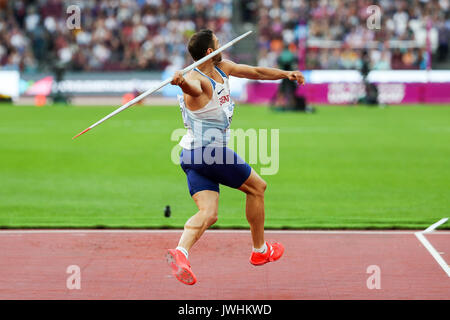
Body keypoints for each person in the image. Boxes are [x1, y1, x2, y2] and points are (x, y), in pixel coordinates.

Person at [166, 29, 305, 285]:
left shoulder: (223, 68)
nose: (223, 45)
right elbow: (194, 90)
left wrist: (285, 74)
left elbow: (257, 72)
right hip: (210, 153)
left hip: (190, 154)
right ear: (210, 51)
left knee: (208, 213)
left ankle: (181, 253)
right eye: (219, 43)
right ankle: (260, 251)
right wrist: (181, 81)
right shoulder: (199, 81)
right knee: (258, 188)